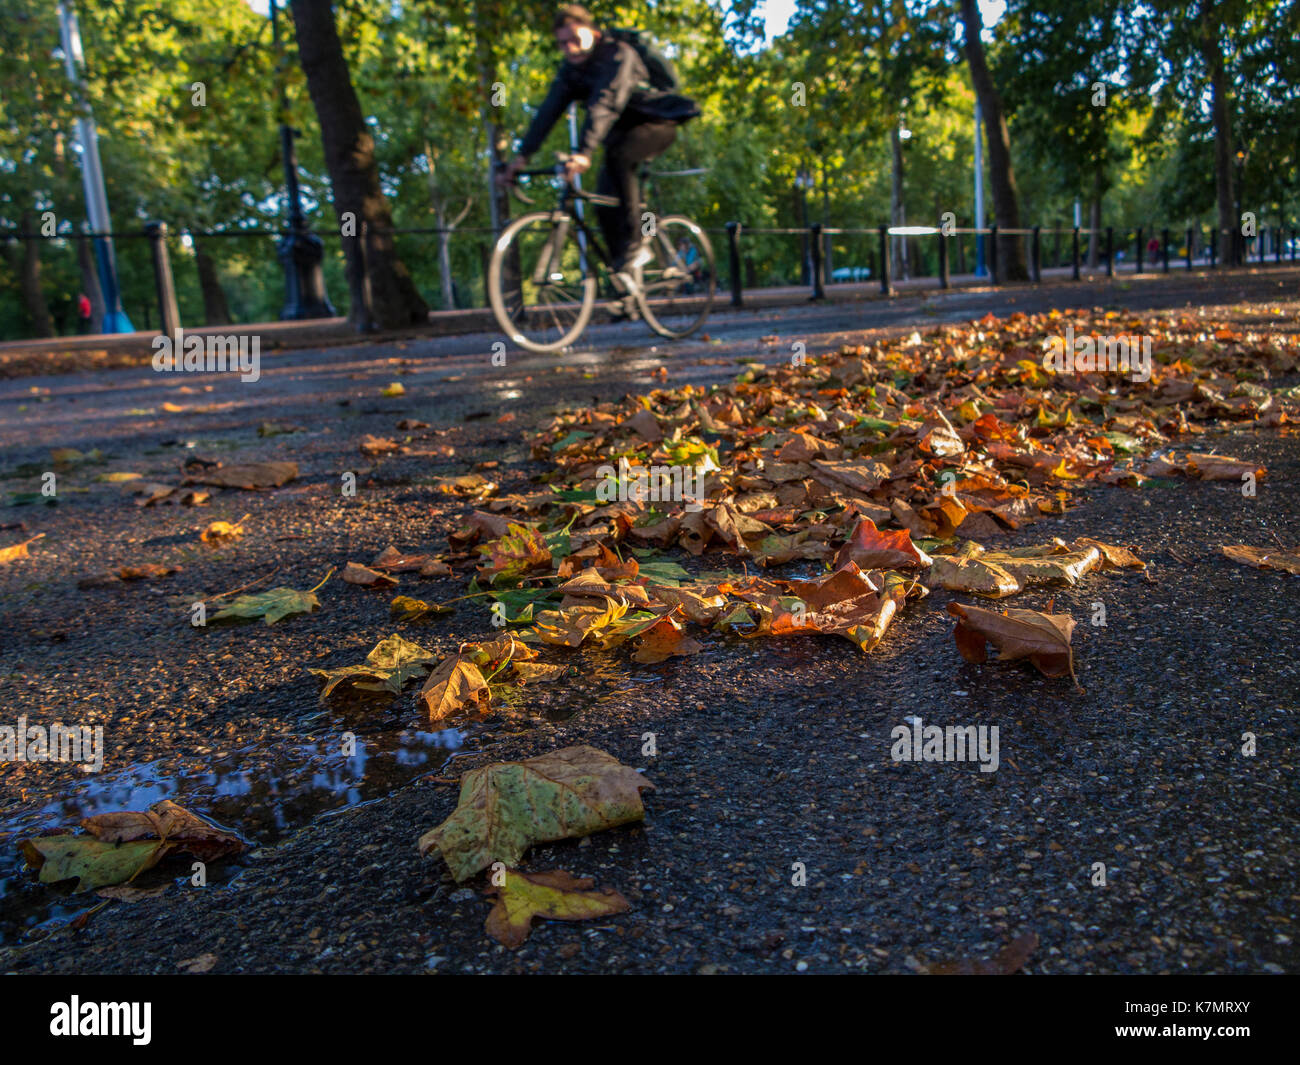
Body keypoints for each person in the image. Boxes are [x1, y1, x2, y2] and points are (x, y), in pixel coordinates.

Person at [499, 5, 698, 299]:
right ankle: (626, 285)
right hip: (620, 133)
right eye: (562, 43)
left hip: (657, 122)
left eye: (574, 39)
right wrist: (520, 158)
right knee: (603, 202)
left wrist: (584, 152)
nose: (569, 48)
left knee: (620, 157)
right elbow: (547, 113)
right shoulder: (572, 72)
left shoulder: (618, 55)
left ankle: (636, 248)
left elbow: (605, 102)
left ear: (591, 31)